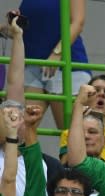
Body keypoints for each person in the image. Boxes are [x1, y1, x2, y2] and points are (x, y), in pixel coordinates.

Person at [18, 0, 89, 129]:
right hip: (33, 66)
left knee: (70, 135)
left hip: (67, 67)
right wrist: (8, 28)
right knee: (20, 131)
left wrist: (57, 53)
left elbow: (78, 22)